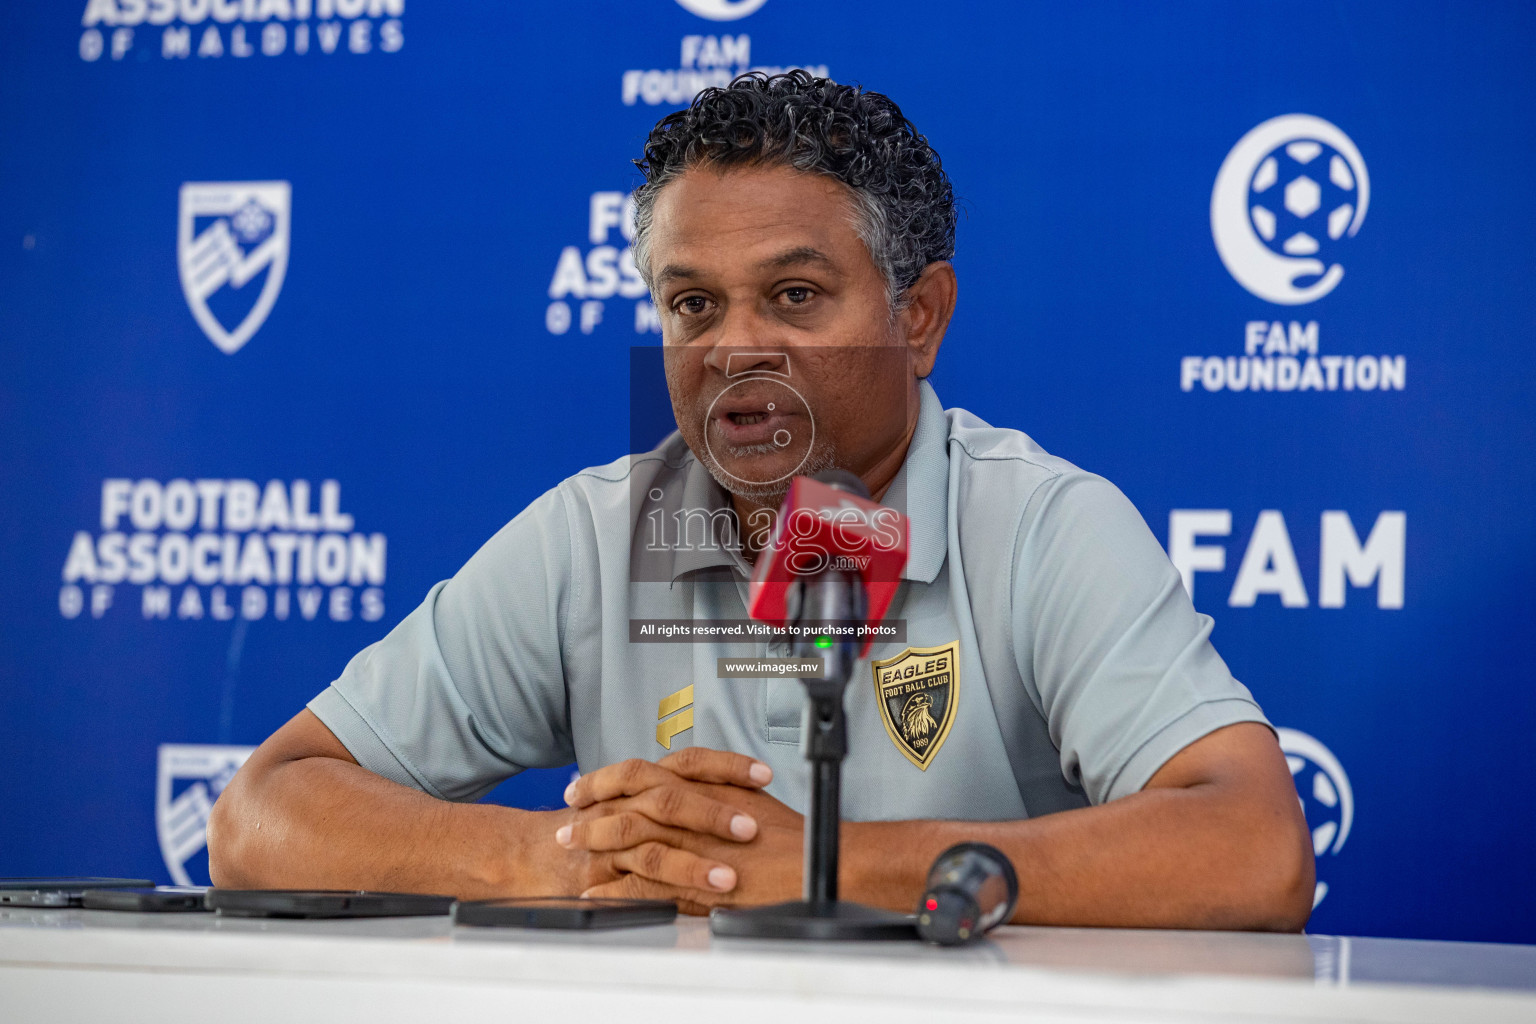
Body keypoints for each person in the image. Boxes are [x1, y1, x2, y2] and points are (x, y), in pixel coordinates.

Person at [209, 72, 1313, 930]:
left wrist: (819, 867)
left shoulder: (1040, 526)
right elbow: (264, 813)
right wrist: (564, 859)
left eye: (795, 295)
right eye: (692, 303)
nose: (736, 347)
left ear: (919, 318)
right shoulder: (601, 531)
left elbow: (1254, 848)